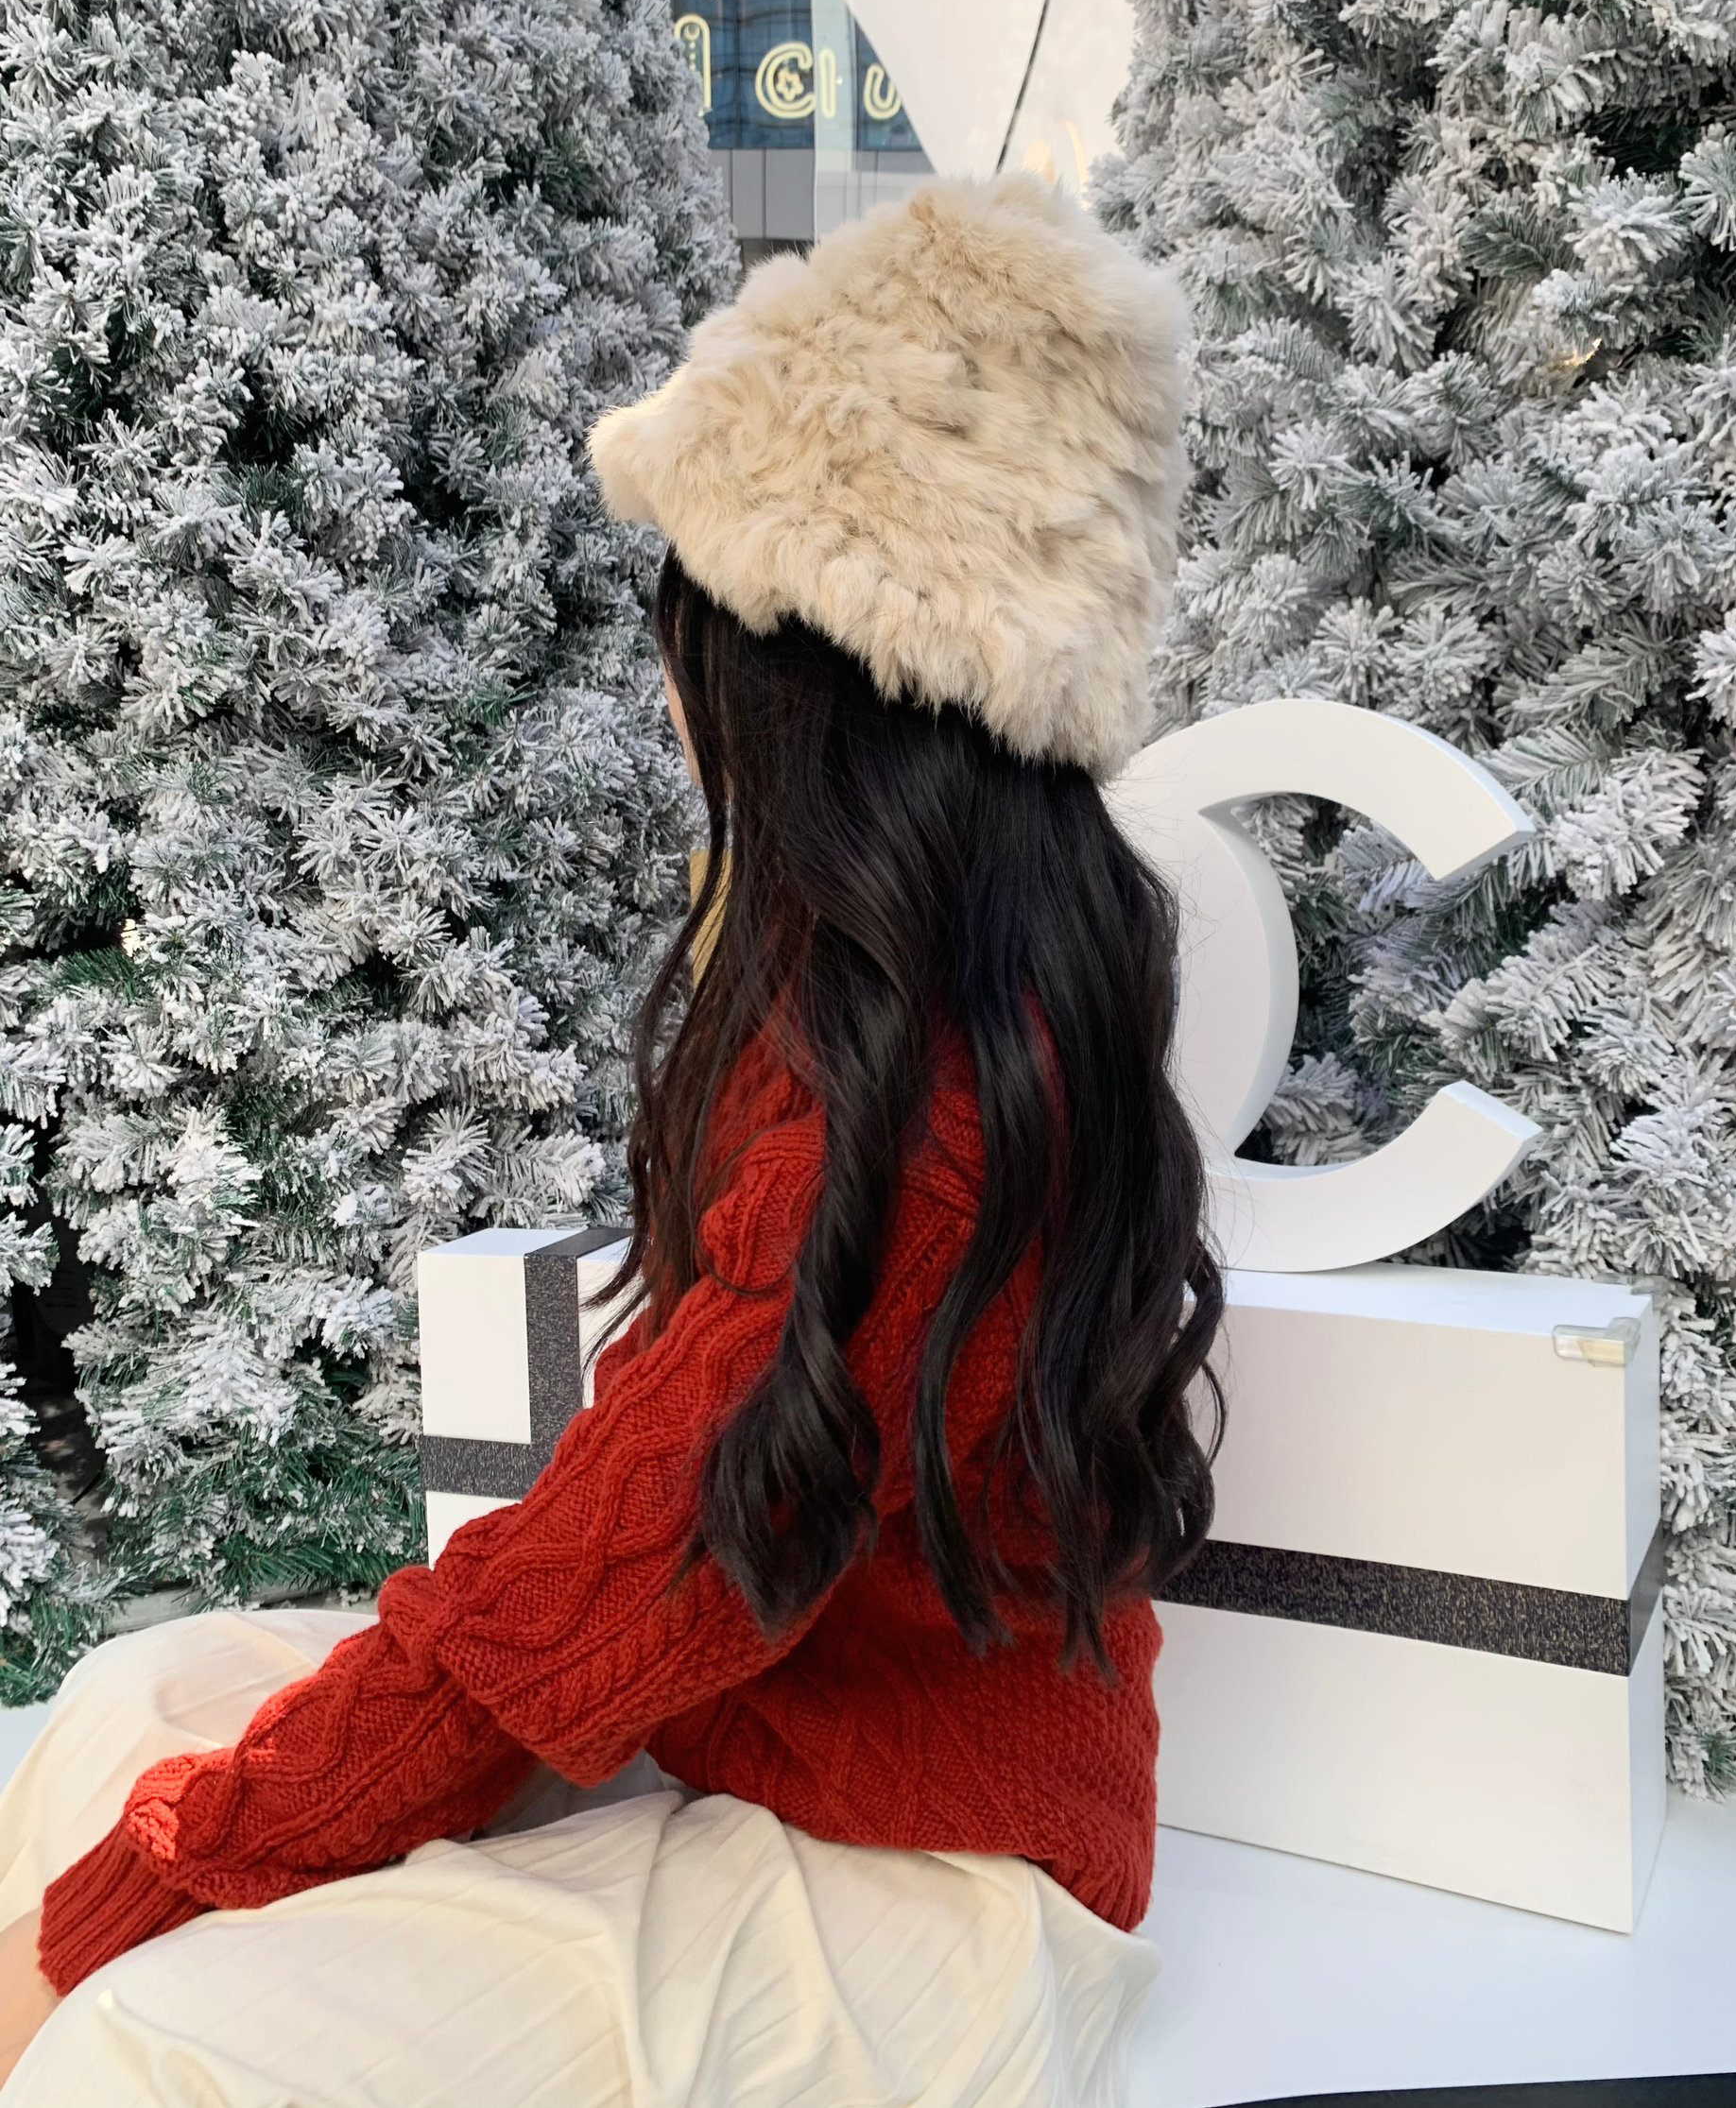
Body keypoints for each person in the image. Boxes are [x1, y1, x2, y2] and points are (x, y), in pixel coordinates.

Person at [0, 174, 1224, 2106]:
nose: (669, 697)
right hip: (759, 1745)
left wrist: (125, 1915)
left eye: (693, 631)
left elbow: (610, 1575)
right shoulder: (897, 1020)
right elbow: (627, 1561)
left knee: (144, 2038)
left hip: (925, 1882)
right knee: (131, 1704)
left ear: (806, 689)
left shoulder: (932, 1122)